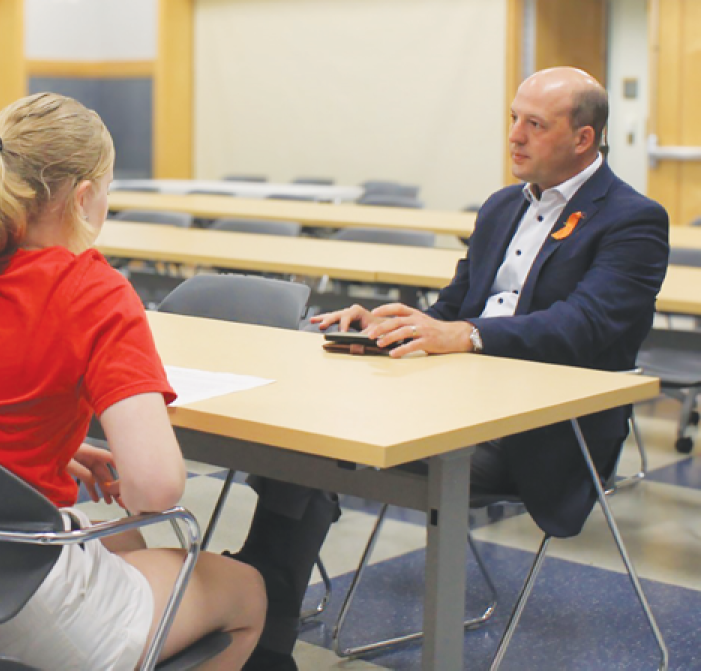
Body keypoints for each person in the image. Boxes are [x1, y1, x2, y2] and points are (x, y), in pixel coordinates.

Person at [233, 66, 670, 670]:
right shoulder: (500, 208)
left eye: (534, 124)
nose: (514, 135)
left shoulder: (632, 219)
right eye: (513, 118)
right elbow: (454, 310)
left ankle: (256, 609)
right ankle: (261, 613)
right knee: (305, 430)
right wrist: (394, 323)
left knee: (323, 446)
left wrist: (463, 333)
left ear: (583, 139)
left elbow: (587, 326)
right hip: (452, 396)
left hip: (540, 427)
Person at [0, 92, 266, 670]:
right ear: (83, 197)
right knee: (247, 591)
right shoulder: (92, 291)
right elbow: (155, 491)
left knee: (120, 539)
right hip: (8, 604)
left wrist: (46, 445)